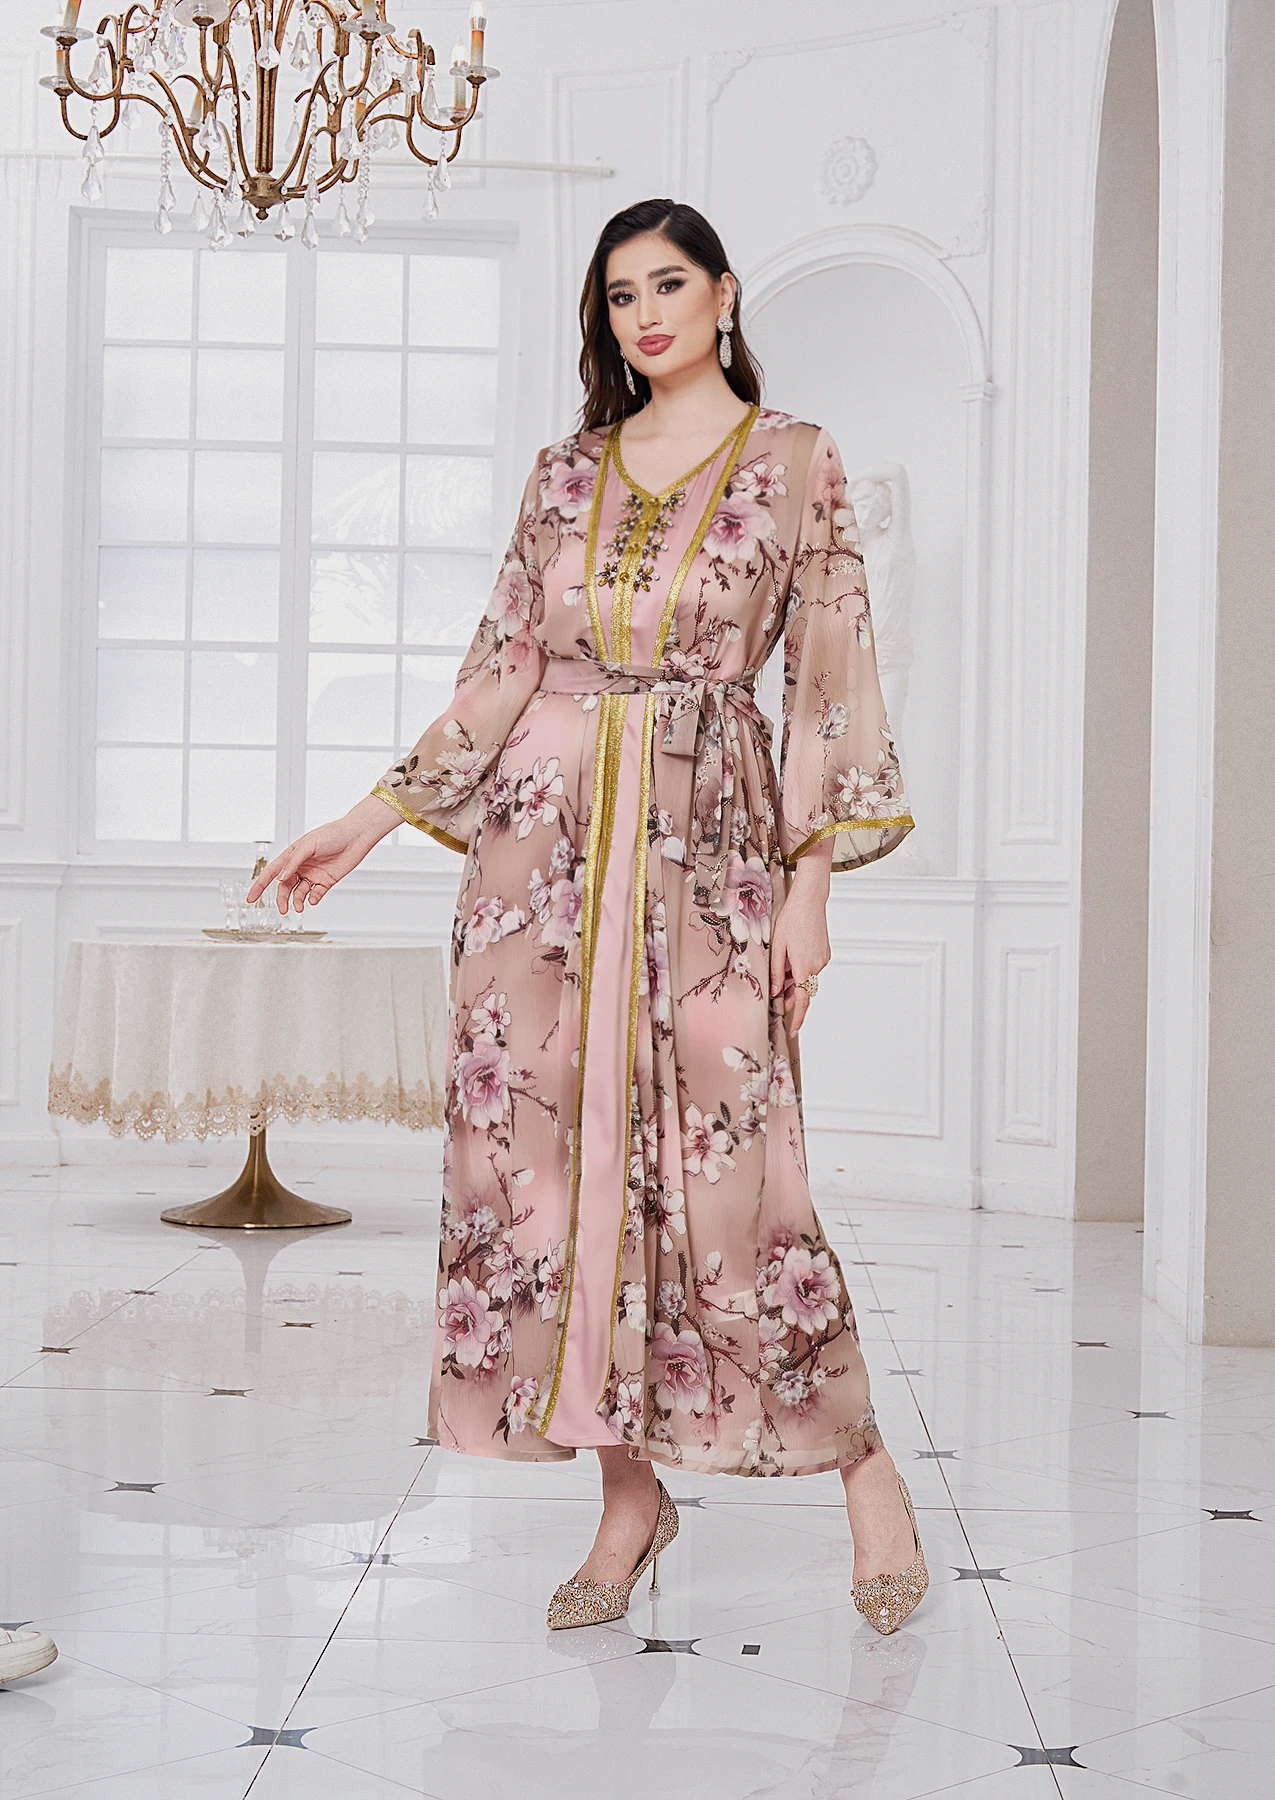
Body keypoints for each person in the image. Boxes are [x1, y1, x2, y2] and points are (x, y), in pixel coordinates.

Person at [250, 198, 926, 1636]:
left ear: (724, 295)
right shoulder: (565, 473)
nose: (645, 314)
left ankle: (864, 1468)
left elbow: (828, 679)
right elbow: (502, 670)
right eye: (620, 294)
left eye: (669, 284)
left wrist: (810, 888)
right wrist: (364, 822)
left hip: (710, 854)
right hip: (537, 869)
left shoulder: (795, 462)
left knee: (740, 1185)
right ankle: (628, 1499)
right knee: (551, 1178)